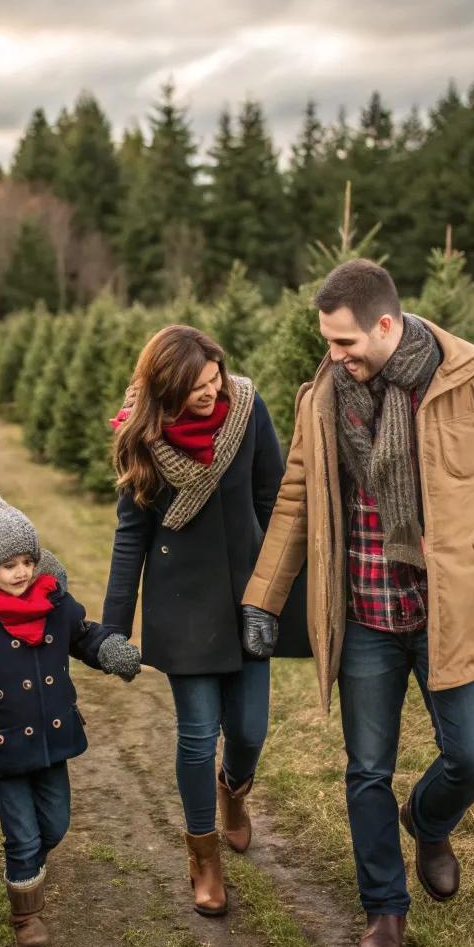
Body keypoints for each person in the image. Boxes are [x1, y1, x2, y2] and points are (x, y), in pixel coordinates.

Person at [240, 259, 474, 947]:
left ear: (387, 325)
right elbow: (295, 500)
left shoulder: (472, 377)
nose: (334, 357)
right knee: (366, 770)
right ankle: (385, 910)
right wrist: (264, 597)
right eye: (327, 342)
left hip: (459, 606)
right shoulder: (322, 396)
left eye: (345, 343)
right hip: (367, 615)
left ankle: (429, 820)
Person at [102, 325, 303, 917]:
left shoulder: (246, 407)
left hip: (248, 597)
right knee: (196, 735)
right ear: (166, 390)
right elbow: (130, 534)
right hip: (182, 605)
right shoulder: (141, 437)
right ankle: (202, 855)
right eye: (196, 388)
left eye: (214, 379)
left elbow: (273, 498)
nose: (211, 392)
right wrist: (115, 629)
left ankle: (233, 790)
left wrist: (275, 591)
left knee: (249, 730)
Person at [0, 486, 141, 947]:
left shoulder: (56, 605)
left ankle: (27, 871)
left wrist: (109, 651)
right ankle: (27, 919)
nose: (22, 572)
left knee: (55, 824)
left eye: (28, 560)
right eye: (10, 566)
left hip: (52, 742)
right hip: (4, 750)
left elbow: (83, 637)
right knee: (23, 835)